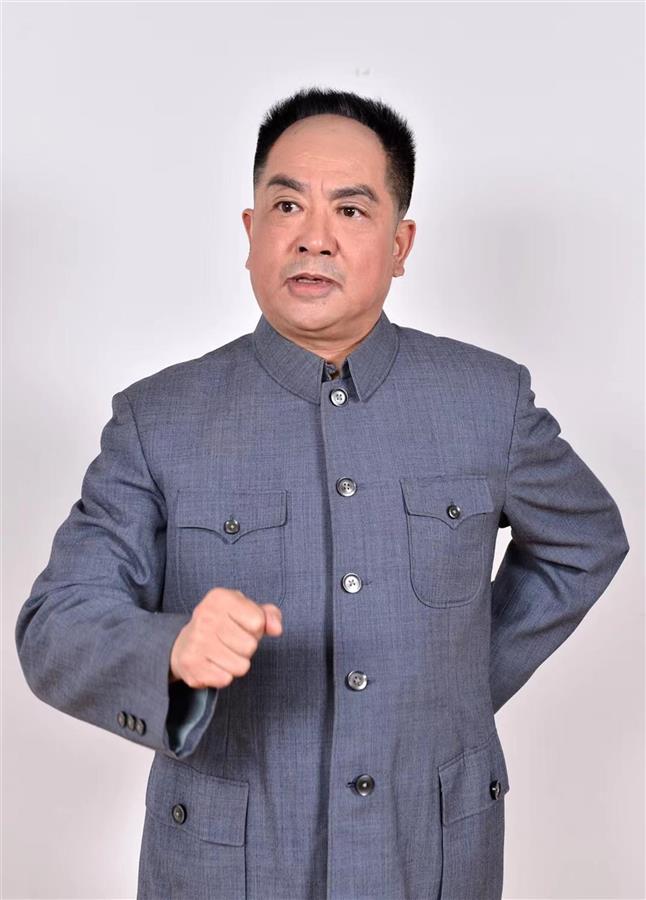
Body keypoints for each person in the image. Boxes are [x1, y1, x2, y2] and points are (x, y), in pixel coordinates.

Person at [15, 87, 630, 900]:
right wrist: (169, 653)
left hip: (429, 857)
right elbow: (55, 625)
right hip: (225, 868)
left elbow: (584, 542)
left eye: (350, 209)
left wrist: (453, 685)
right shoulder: (157, 419)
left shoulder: (488, 402)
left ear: (401, 244)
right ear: (249, 232)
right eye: (286, 205)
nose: (314, 237)